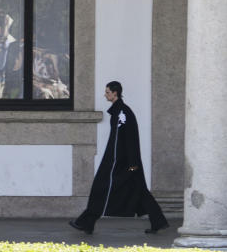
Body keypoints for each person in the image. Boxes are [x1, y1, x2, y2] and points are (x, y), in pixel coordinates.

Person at [69, 81, 168, 235]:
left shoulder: (123, 113)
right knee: (140, 191)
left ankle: (86, 222)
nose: (105, 95)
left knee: (102, 188)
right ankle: (158, 221)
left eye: (107, 92)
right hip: (124, 162)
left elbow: (126, 139)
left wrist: (132, 164)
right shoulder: (119, 111)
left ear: (115, 93)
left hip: (121, 163)